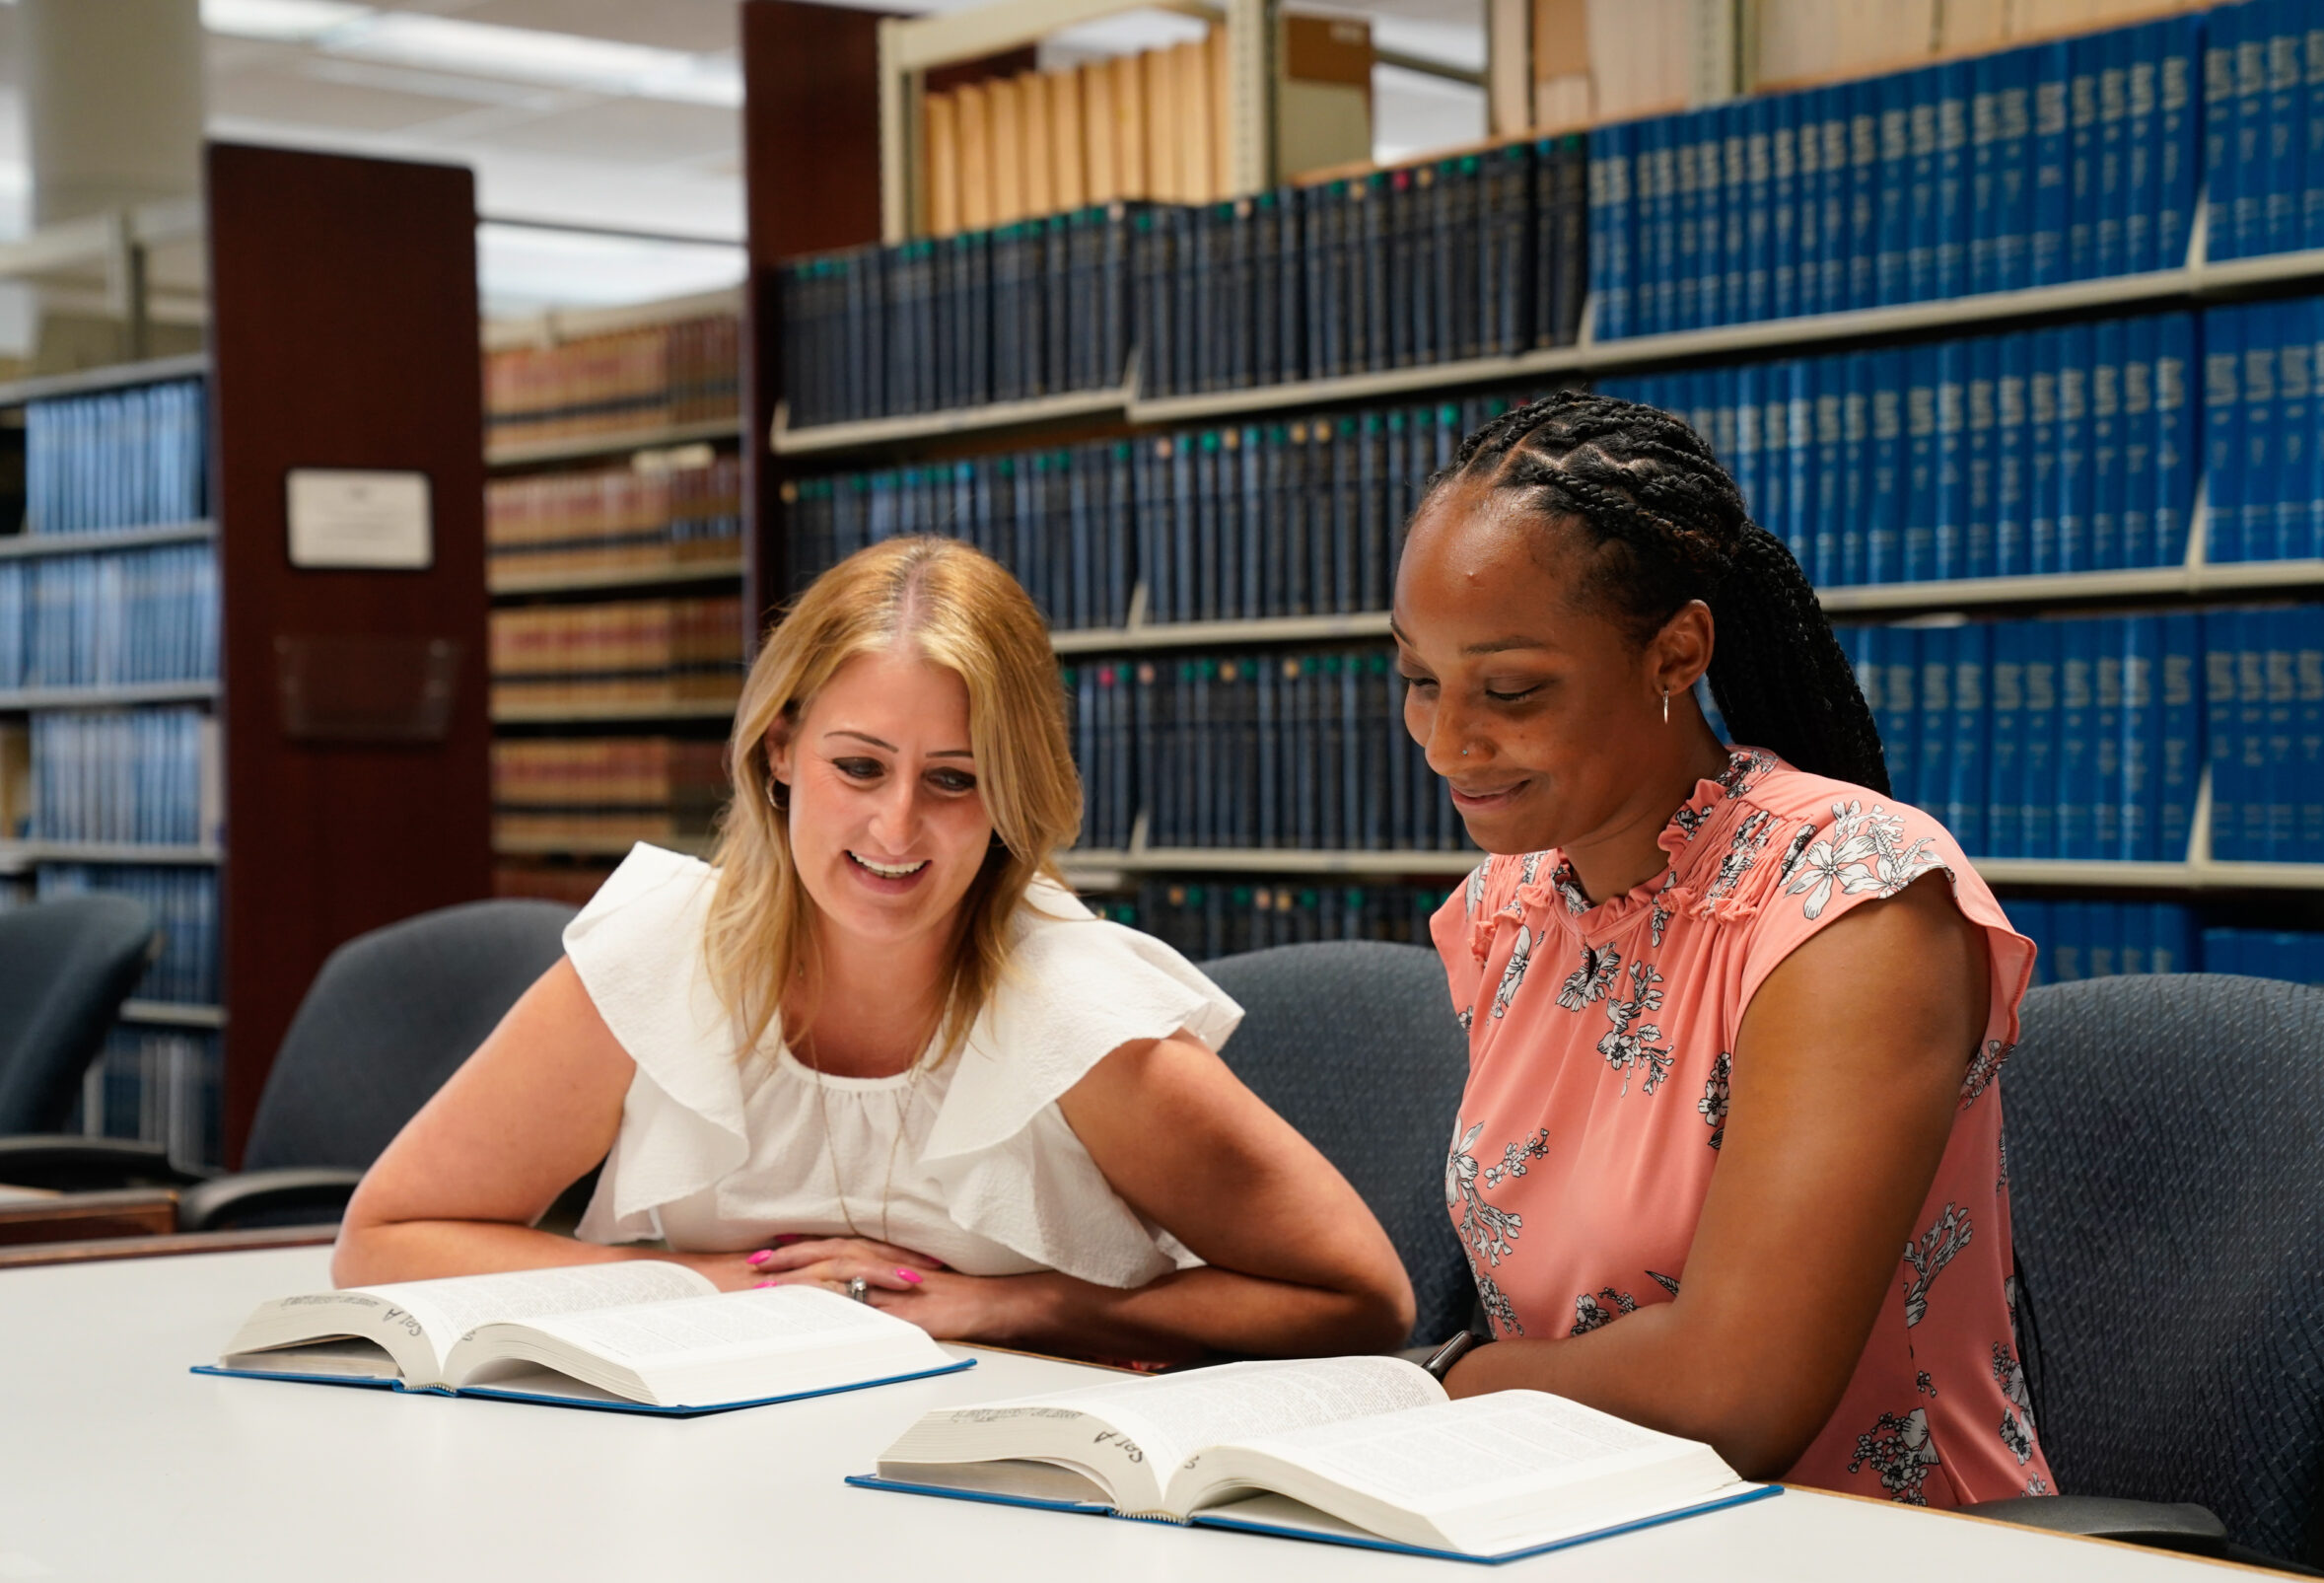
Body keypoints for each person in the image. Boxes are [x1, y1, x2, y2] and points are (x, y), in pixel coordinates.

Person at [336, 536, 1413, 1366]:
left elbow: (1361, 1300)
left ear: (1011, 795)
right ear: (781, 749)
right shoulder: (659, 957)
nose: (897, 830)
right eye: (859, 767)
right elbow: (386, 1241)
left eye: (953, 779)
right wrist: (726, 1285)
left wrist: (1021, 1303)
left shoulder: (1076, 1014)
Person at [1392, 392, 2052, 1507]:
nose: (1448, 741)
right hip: (1574, 1520)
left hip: (1873, 1566)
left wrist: (1444, 1387)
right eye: (1417, 679)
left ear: (1676, 652)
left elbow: (1738, 1399)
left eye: (1510, 689)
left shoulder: (1855, 901)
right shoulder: (1509, 904)